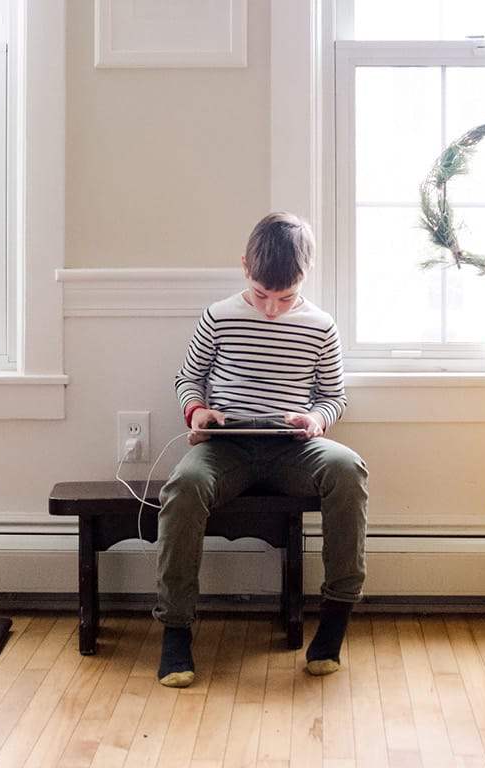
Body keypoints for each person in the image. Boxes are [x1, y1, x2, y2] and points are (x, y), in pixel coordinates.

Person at [154, 211, 369, 688]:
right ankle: (175, 629)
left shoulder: (320, 326)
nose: (271, 308)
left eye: (285, 297)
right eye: (261, 295)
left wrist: (316, 419)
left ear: (304, 279)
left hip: (292, 448)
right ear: (244, 269)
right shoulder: (219, 316)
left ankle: (334, 619)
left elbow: (334, 395)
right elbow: (188, 378)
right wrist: (198, 413)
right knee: (184, 485)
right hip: (228, 447)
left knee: (348, 469)